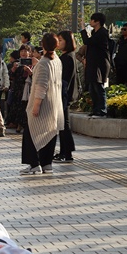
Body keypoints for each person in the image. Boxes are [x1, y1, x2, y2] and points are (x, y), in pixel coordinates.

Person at [20, 33, 64, 175]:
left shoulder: (43, 63)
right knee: (50, 132)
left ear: (43, 45)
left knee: (31, 133)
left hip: (43, 102)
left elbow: (41, 85)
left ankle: (34, 164)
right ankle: (47, 163)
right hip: (55, 103)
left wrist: (36, 105)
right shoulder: (57, 60)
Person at [80, 12, 110, 118]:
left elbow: (87, 41)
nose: (90, 21)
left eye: (92, 20)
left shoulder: (102, 33)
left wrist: (83, 29)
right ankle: (96, 109)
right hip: (93, 63)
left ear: (97, 21)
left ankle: (102, 110)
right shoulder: (95, 32)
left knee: (98, 86)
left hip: (100, 64)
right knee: (92, 87)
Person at [54, 31, 77, 164]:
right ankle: (65, 151)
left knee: (64, 124)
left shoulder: (67, 58)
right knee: (63, 124)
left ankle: (66, 153)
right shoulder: (67, 56)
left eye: (61, 40)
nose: (59, 42)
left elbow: (63, 80)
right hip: (64, 95)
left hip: (63, 95)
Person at [6, 45, 33, 133]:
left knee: (24, 107)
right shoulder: (17, 63)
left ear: (29, 52)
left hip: (26, 88)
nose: (23, 53)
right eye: (22, 51)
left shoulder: (32, 62)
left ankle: (23, 125)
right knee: (16, 106)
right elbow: (11, 76)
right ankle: (17, 124)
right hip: (17, 89)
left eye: (25, 51)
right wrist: (13, 69)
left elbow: (35, 76)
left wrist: (29, 71)